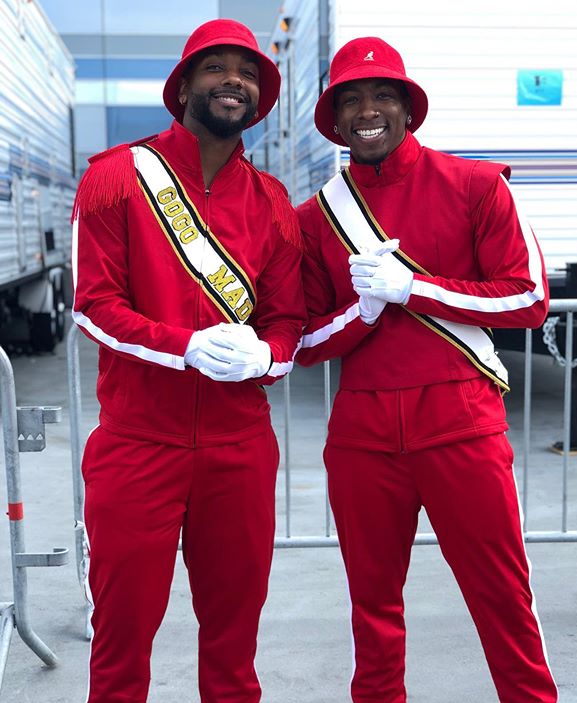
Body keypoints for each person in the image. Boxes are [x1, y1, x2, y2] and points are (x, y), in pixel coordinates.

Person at [296, 36, 557, 702]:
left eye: (383, 94)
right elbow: (302, 338)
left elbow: (529, 298)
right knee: (371, 612)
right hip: (362, 430)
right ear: (335, 119)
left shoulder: (474, 184)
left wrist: (413, 288)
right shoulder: (316, 217)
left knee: (503, 601)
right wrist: (366, 309)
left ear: (408, 108)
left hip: (460, 418)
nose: (368, 110)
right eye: (351, 100)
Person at [71, 19, 305, 703]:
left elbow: (288, 320)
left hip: (240, 447)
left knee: (235, 645)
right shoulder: (117, 178)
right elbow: (93, 305)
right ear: (183, 87)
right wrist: (185, 347)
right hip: (138, 443)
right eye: (216, 67)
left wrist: (267, 353)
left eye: (248, 71)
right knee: (121, 642)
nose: (233, 80)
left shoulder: (273, 205)